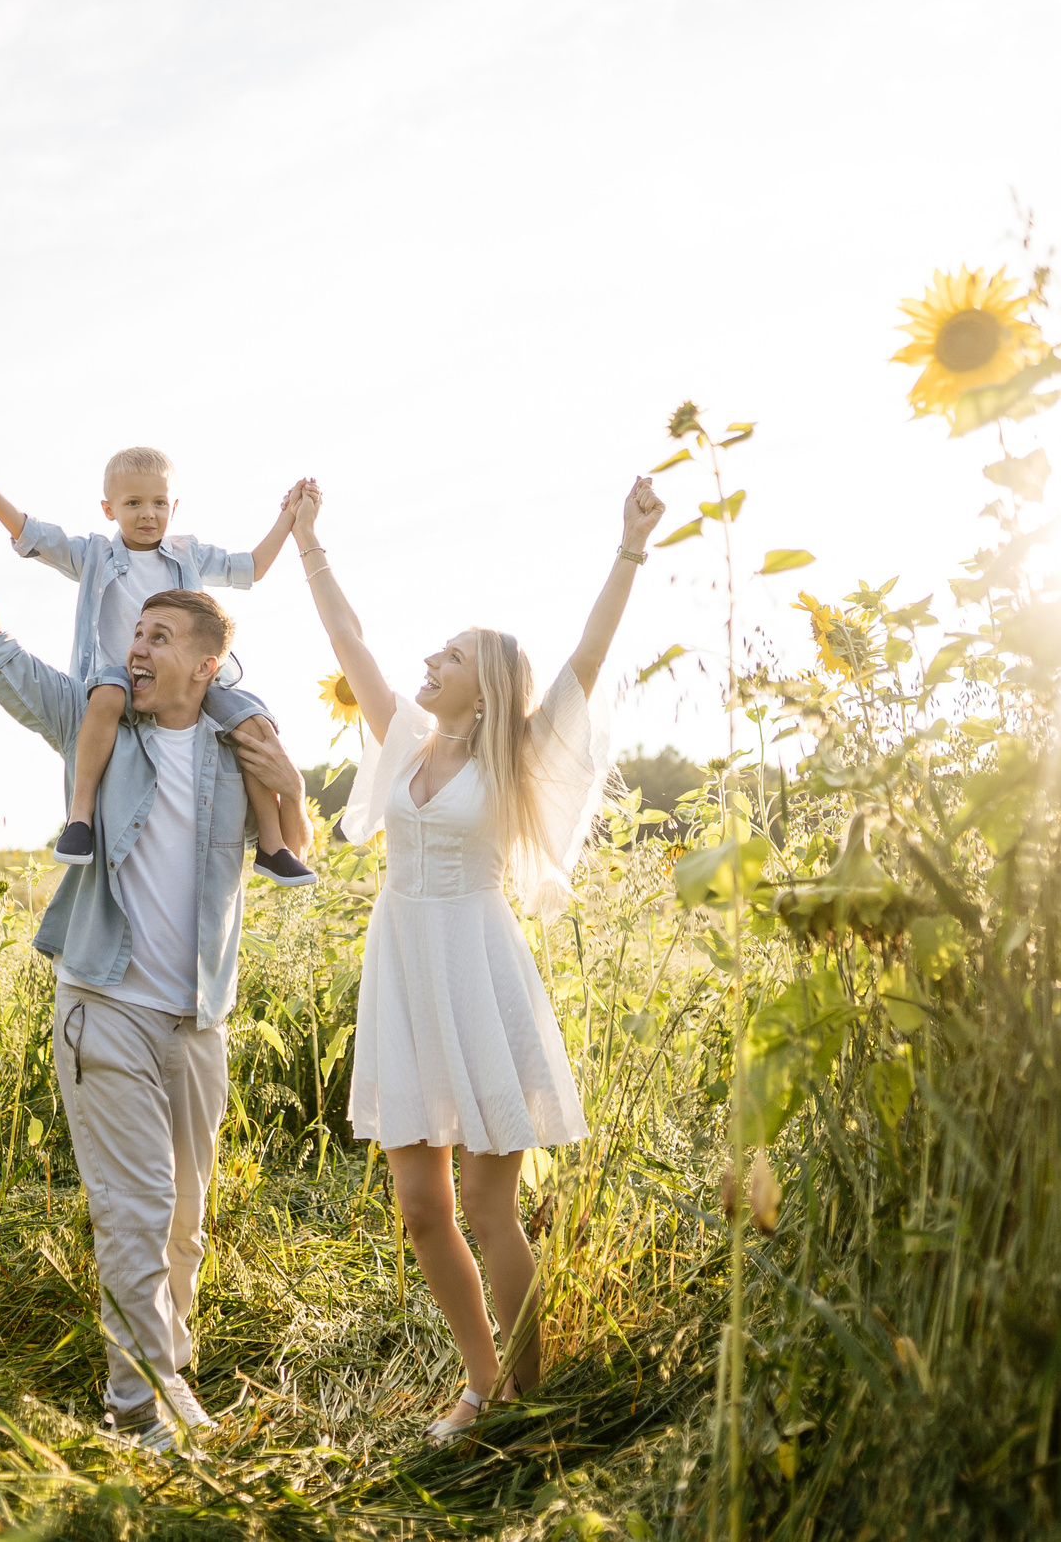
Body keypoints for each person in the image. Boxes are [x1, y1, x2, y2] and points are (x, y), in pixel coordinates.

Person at [0, 448, 312, 1453]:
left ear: (204, 661)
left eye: (154, 635)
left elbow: (298, 851)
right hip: (102, 1003)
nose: (133, 647)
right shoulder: (90, 724)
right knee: (139, 1208)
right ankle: (144, 1407)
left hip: (198, 1021)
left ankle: (148, 1386)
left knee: (184, 1220)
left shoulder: (238, 750)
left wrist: (297, 786)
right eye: (132, 632)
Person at [287, 472, 666, 1442]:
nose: (430, 658)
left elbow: (586, 656)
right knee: (421, 1206)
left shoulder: (520, 756)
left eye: (449, 654)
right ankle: (480, 1378)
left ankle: (528, 1399)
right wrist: (309, 543)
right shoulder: (406, 738)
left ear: (486, 682)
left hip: (477, 963)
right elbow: (350, 643)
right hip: (404, 963)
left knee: (491, 1206)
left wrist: (628, 546)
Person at [0, 443, 315, 886]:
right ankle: (80, 818)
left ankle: (273, 846)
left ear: (174, 506)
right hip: (119, 677)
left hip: (193, 682)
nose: (148, 514)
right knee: (105, 696)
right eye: (133, 503)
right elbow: (33, 534)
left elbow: (253, 567)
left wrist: (289, 518)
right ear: (108, 509)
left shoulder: (187, 553)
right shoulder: (94, 555)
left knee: (253, 722)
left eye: (159, 503)